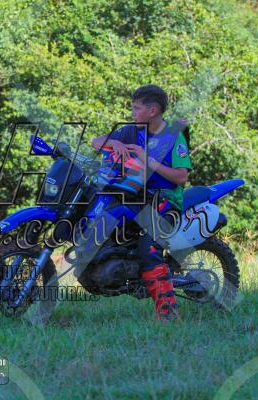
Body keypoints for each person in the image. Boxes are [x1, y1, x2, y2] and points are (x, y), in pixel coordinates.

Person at [91, 84, 192, 321]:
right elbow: (96, 141)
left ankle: (168, 313)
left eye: (136, 108)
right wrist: (113, 143)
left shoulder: (173, 137)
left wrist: (148, 160)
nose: (132, 113)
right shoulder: (132, 130)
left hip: (165, 201)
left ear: (152, 111)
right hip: (136, 197)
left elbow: (181, 177)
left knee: (149, 248)